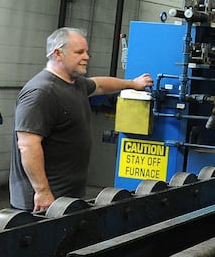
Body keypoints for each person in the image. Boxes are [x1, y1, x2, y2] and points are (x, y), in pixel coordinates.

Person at [9, 27, 153, 212]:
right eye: (79, 52)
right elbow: (28, 145)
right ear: (58, 54)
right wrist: (42, 191)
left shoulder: (74, 84)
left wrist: (133, 83)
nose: (86, 56)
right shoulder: (41, 92)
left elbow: (100, 84)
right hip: (40, 204)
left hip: (65, 198)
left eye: (86, 51)